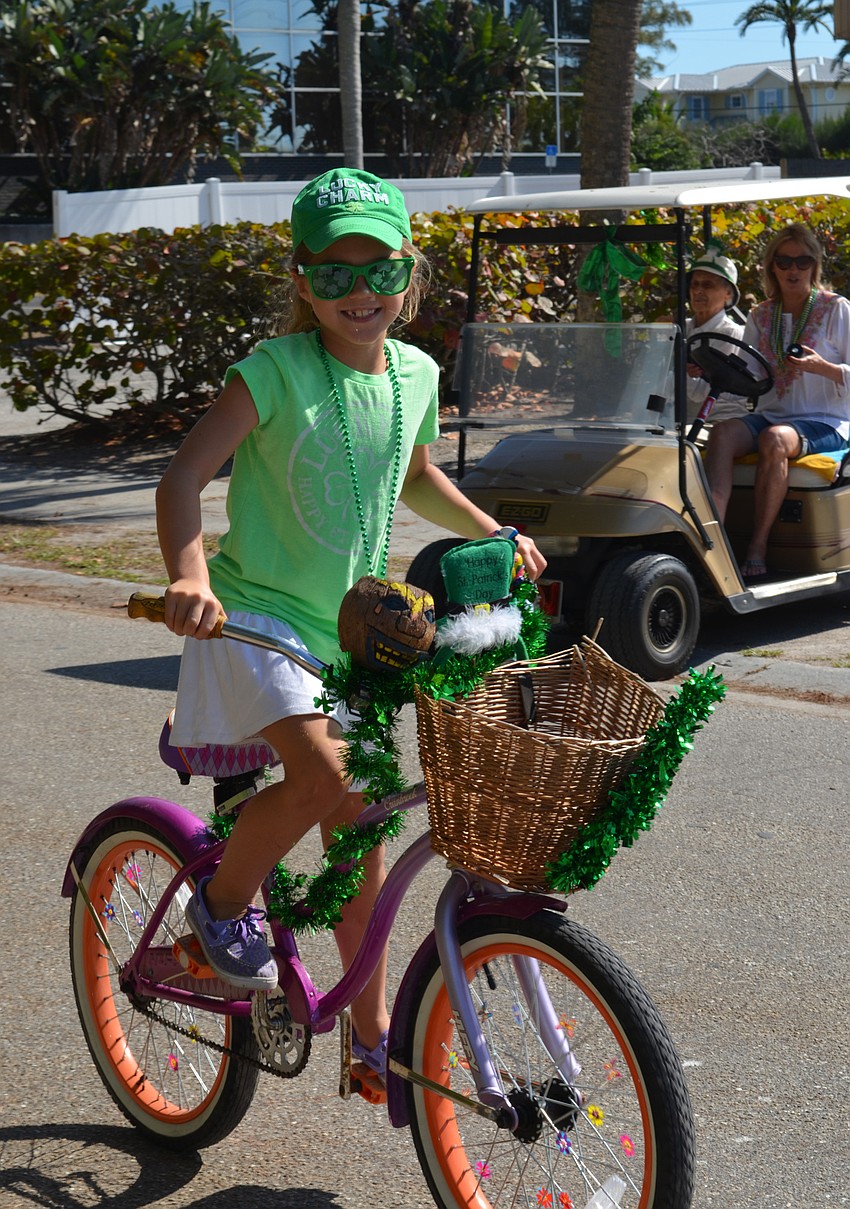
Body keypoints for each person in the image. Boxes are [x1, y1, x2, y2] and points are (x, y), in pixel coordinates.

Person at [155, 168, 547, 1077]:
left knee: (359, 829)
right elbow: (180, 481)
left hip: (350, 633)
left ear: (410, 273)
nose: (359, 292)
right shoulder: (274, 372)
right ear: (300, 279)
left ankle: (369, 1038)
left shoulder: (416, 374)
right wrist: (188, 575)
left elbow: (412, 476)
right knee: (325, 770)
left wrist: (495, 531)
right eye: (332, 274)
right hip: (256, 618)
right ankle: (219, 907)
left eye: (379, 270)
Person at [704, 222, 850, 580]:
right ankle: (710, 541)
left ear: (814, 266)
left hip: (827, 421)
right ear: (773, 267)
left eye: (802, 261)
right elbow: (751, 375)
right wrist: (707, 369)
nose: (793, 269)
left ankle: (757, 544)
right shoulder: (761, 315)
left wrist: (824, 368)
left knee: (775, 439)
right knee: (720, 434)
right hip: (773, 415)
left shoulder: (837, 309)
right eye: (784, 262)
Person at [684, 242, 749, 423]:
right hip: (679, 422)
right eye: (694, 284)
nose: (698, 291)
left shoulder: (731, 334)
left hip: (719, 421)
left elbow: (701, 395)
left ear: (728, 293)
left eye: (707, 285)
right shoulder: (681, 328)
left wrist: (677, 369)